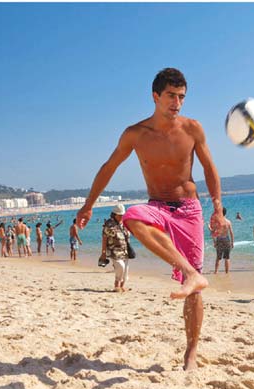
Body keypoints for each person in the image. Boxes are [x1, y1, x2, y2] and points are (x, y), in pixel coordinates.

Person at [77, 68, 224, 371]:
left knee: (193, 288)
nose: (177, 103)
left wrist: (218, 209)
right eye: (171, 96)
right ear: (155, 96)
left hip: (189, 209)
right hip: (157, 205)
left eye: (182, 97)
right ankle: (189, 272)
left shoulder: (193, 129)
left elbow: (210, 169)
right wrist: (88, 205)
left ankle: (191, 352)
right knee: (132, 217)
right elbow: (109, 167)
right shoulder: (136, 134)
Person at [98, 205, 130, 291]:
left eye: (122, 215)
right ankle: (117, 285)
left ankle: (121, 286)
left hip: (125, 250)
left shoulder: (124, 223)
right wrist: (103, 253)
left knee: (126, 270)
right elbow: (104, 239)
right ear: (114, 214)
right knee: (121, 267)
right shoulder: (109, 224)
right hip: (114, 251)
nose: (121, 217)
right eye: (120, 215)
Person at [211, 207, 234, 274]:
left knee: (218, 257)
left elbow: (213, 233)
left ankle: (216, 271)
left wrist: (214, 242)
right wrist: (232, 242)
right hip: (226, 239)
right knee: (227, 257)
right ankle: (227, 272)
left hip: (219, 239)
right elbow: (231, 233)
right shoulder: (228, 222)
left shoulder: (217, 222)